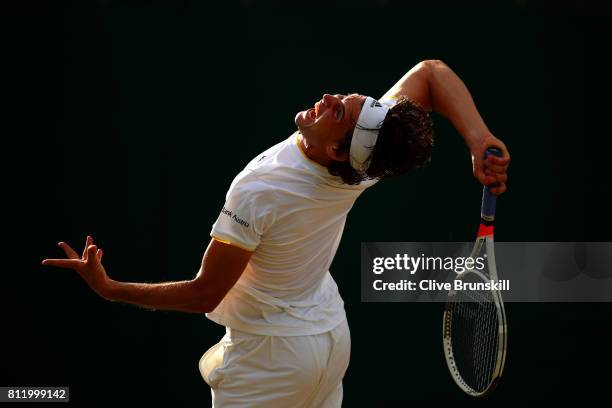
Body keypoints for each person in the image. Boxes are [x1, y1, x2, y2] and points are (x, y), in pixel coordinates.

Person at [42, 60, 510, 407]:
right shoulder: (364, 165)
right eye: (344, 98)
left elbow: (204, 294)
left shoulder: (259, 189)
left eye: (339, 112)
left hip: (271, 361)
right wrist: (477, 139)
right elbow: (429, 73)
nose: (328, 97)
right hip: (330, 340)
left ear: (333, 147)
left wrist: (110, 289)